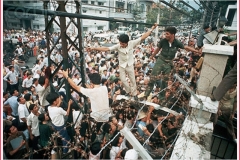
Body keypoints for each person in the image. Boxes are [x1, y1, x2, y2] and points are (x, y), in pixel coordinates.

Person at [87, 23, 158, 100]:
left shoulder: (132, 43)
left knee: (132, 80)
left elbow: (143, 37)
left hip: (130, 64)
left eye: (122, 44)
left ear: (127, 42)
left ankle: (134, 94)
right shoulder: (118, 46)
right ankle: (128, 91)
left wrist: (152, 28)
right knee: (123, 80)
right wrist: (94, 48)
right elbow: (106, 49)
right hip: (122, 65)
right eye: (120, 43)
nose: (121, 45)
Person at [144, 27, 201, 99]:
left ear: (172, 35)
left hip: (168, 63)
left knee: (165, 80)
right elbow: (158, 49)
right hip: (161, 60)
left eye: (167, 34)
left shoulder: (177, 42)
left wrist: (196, 51)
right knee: (153, 76)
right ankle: (146, 94)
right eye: (165, 34)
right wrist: (152, 56)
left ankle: (161, 97)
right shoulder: (163, 41)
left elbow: (186, 47)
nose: (165, 35)